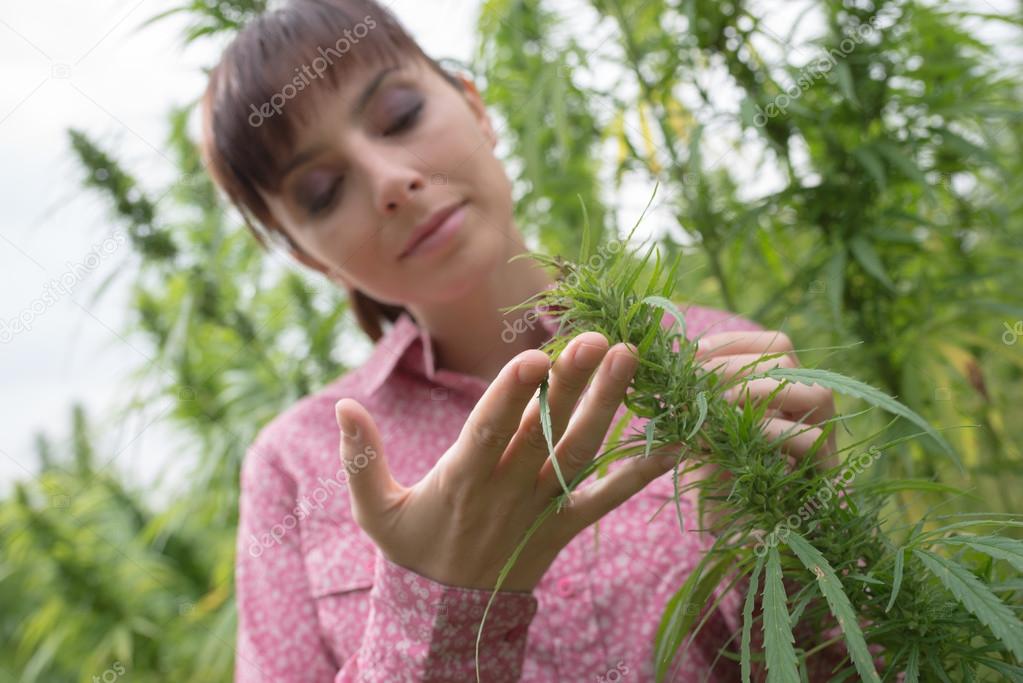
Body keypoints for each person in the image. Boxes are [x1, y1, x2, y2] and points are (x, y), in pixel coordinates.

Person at [199, 1, 836, 680]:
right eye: (323, 191)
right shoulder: (295, 467)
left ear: (476, 108)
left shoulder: (716, 357)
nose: (390, 183)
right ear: (307, 257)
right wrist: (438, 601)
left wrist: (800, 552)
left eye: (400, 117)